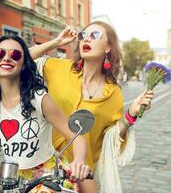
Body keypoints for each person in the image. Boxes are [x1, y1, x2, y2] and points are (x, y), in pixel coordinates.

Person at [0, 35, 92, 192]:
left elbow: (77, 137)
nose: (6, 58)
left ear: (24, 65)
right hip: (14, 181)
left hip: (48, 179)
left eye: (15, 55)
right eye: (0, 53)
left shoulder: (38, 98)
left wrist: (79, 162)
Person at [29, 21, 154, 193]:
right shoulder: (59, 68)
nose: (86, 39)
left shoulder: (113, 93)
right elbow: (20, 59)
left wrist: (132, 113)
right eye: (83, 35)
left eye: (94, 35)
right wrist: (56, 42)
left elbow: (111, 137)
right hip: (41, 166)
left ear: (108, 47)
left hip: (79, 174)